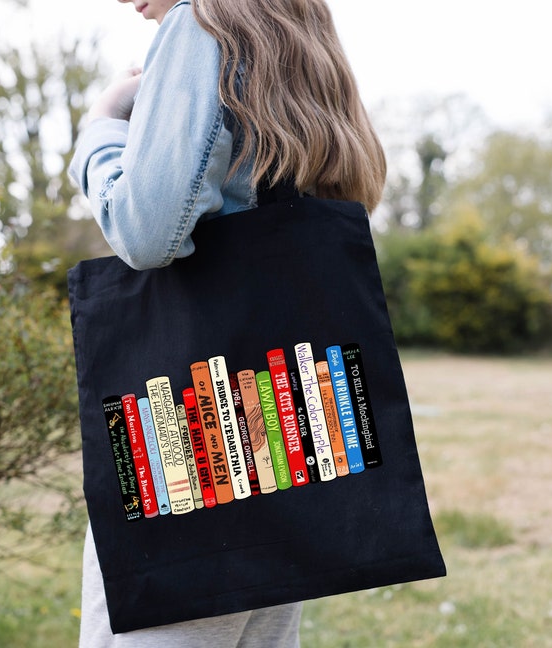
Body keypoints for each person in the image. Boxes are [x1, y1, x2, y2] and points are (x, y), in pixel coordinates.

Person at [69, 1, 386, 645]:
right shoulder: (299, 40)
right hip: (292, 422)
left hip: (196, 424)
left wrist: (103, 124)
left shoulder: (197, 26)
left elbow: (146, 231)